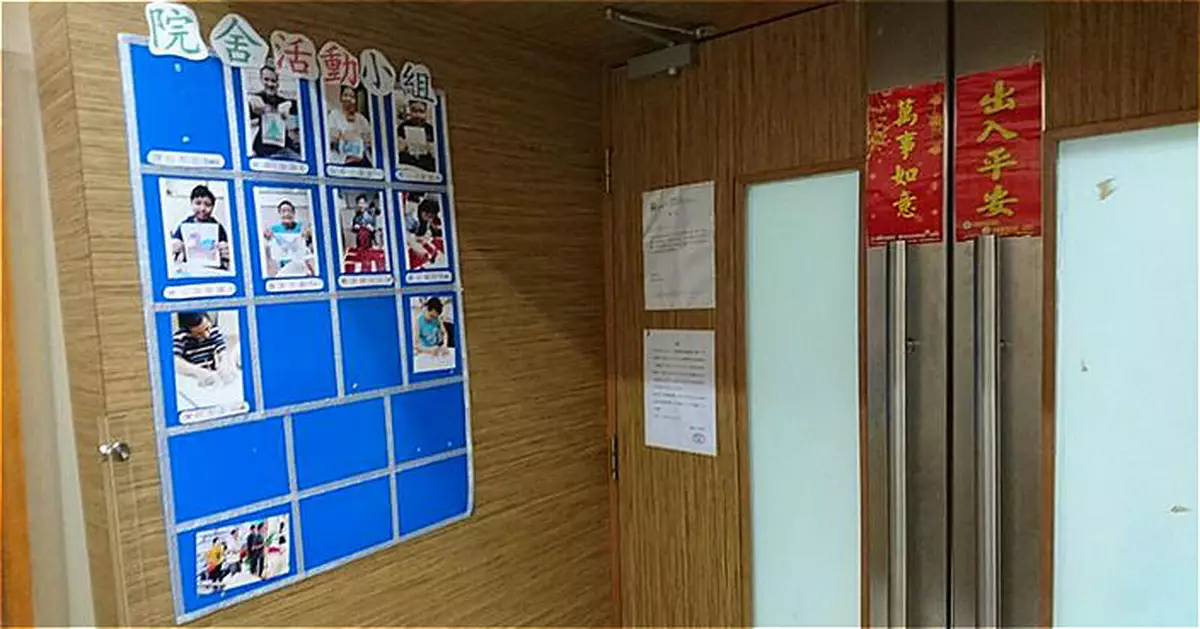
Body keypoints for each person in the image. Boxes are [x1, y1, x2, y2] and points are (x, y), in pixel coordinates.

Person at [169, 185, 231, 272]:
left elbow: (226, 252)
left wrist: (225, 251)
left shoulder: (218, 227)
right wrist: (175, 245)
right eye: (198, 203)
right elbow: (174, 245)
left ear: (213, 207)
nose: (202, 209)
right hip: (190, 269)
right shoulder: (184, 225)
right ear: (191, 203)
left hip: (213, 270)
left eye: (207, 205)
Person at [246, 65, 301, 159]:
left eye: (273, 80)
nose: (270, 84)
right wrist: (249, 100)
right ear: (261, 79)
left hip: (283, 150)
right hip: (261, 151)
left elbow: (303, 106)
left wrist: (290, 104)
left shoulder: (283, 101)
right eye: (266, 79)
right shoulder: (255, 98)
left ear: (278, 82)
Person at [173, 312, 236, 387]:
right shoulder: (180, 337)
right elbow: (175, 361)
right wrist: (198, 371)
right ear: (187, 332)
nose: (206, 335)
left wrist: (224, 364)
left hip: (211, 379)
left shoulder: (213, 330)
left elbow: (222, 352)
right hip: (192, 381)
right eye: (199, 334)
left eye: (207, 328)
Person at [261, 199, 315, 277]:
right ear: (279, 213)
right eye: (283, 211)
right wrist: (266, 236)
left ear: (293, 213)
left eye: (289, 211)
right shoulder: (274, 229)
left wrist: (309, 233)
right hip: (282, 268)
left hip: (301, 266)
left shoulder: (301, 227)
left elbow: (309, 247)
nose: (286, 214)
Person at [326, 85, 373, 166]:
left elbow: (368, 139)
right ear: (341, 98)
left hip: (359, 159)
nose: (348, 99)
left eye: (351, 96)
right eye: (345, 95)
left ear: (355, 100)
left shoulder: (361, 119)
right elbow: (332, 138)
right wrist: (347, 135)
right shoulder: (334, 115)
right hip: (340, 160)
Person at [395, 98, 436, 173]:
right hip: (408, 165)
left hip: (426, 166)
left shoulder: (431, 129)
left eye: (421, 111)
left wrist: (430, 147)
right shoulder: (402, 127)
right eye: (414, 111)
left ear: (425, 112)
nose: (417, 115)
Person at [405, 196, 444, 269]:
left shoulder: (427, 222)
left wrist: (425, 238)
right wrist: (415, 241)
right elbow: (405, 235)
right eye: (427, 215)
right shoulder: (411, 219)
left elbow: (427, 233)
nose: (428, 218)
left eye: (431, 217)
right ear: (421, 211)